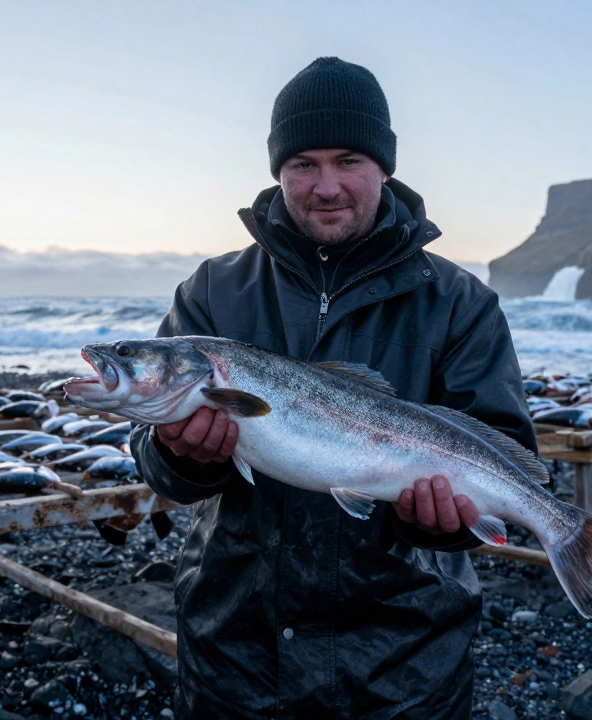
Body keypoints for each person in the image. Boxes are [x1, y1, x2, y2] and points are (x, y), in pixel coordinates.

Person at [131, 56, 536, 720]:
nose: (326, 186)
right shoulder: (211, 292)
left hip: (405, 663)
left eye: (348, 160)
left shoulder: (460, 304)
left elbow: (500, 448)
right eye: (303, 165)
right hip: (236, 651)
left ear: (384, 167)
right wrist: (180, 454)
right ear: (278, 171)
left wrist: (439, 526)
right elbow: (160, 471)